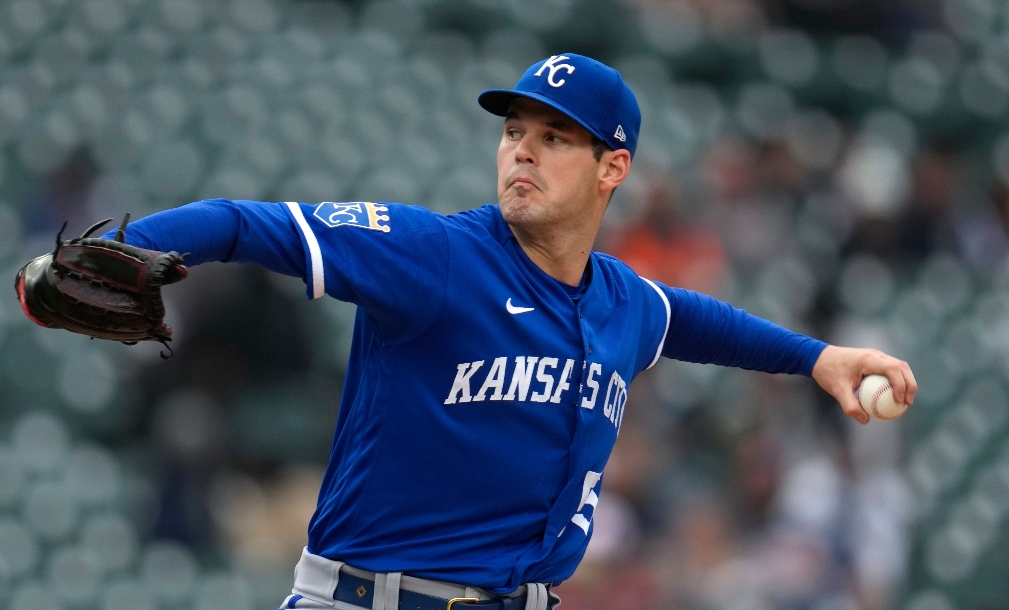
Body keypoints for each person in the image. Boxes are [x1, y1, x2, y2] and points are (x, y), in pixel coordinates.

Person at [78, 54, 916, 610]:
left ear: (612, 169)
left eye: (555, 138)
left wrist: (818, 359)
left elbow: (694, 321)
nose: (522, 151)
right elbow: (241, 222)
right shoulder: (435, 254)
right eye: (514, 131)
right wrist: (125, 247)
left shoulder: (622, 300)